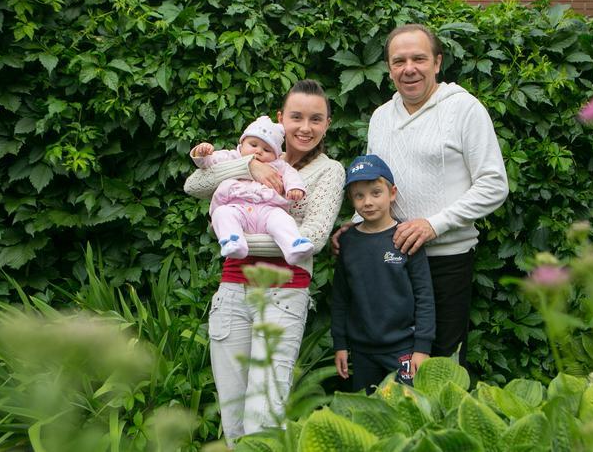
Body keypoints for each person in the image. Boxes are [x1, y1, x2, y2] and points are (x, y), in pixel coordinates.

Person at [331, 24, 509, 367]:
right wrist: (355, 224)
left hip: (445, 260)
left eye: (419, 59)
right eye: (399, 61)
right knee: (391, 367)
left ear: (437, 63)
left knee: (441, 366)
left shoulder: (465, 109)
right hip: (388, 261)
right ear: (389, 69)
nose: (408, 68)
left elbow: (494, 184)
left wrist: (434, 224)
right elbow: (373, 183)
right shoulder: (381, 117)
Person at [184, 79, 345, 447]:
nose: (305, 127)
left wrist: (232, 241)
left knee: (264, 414)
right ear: (280, 119)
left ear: (327, 124)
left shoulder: (330, 171)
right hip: (233, 292)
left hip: (283, 296)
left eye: (316, 119)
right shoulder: (252, 153)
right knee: (233, 412)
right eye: (296, 117)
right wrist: (250, 166)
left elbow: (312, 239)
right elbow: (193, 185)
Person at [331, 155, 435, 394]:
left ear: (392, 193)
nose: (368, 202)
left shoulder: (406, 237)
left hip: (403, 349)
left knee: (407, 406)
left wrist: (422, 348)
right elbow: (340, 298)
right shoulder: (348, 241)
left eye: (376, 193)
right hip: (362, 351)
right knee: (366, 411)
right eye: (359, 196)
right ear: (351, 200)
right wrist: (340, 344)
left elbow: (424, 296)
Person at [190, 115, 314, 264]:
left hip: (268, 210)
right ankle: (233, 241)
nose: (258, 151)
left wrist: (294, 188)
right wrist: (201, 153)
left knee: (282, 219)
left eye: (267, 149)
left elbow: (291, 175)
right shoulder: (231, 157)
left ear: (276, 155)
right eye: (253, 144)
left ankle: (293, 246)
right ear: (241, 144)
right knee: (221, 213)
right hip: (236, 206)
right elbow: (208, 163)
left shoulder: (279, 165)